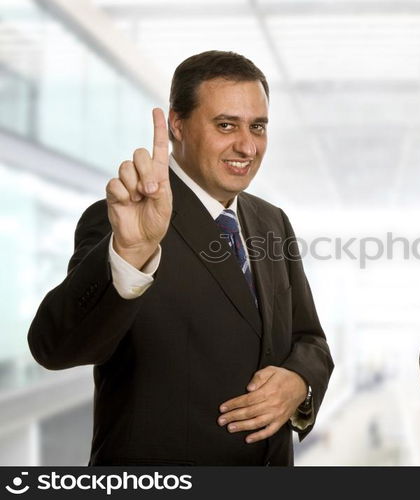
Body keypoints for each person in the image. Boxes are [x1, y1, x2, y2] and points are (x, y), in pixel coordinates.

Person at [28, 50, 334, 466]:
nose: (247, 146)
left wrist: (299, 382)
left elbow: (310, 340)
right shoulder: (125, 220)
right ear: (177, 125)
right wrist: (129, 255)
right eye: (226, 125)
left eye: (257, 127)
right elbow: (55, 347)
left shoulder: (271, 221)